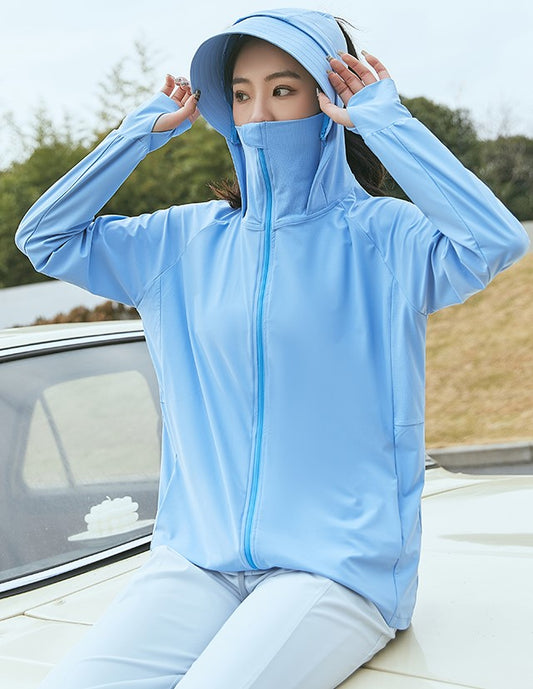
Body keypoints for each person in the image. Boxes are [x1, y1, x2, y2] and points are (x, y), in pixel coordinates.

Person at [15, 8, 529, 689]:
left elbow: (493, 240)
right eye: (241, 92)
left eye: (284, 89)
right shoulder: (178, 244)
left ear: (329, 98)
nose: (258, 113)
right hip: (196, 560)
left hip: (335, 567)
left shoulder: (383, 238)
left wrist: (384, 121)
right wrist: (135, 135)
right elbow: (44, 237)